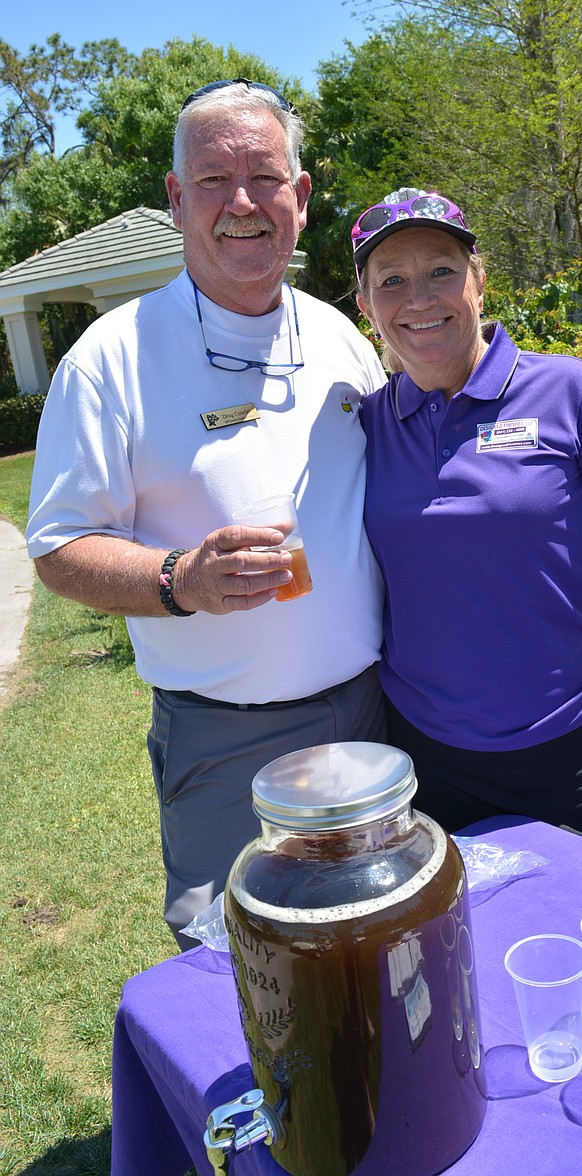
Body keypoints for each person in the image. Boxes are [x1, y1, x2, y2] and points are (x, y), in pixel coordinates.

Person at [26, 80, 387, 947]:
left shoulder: (341, 336)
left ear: (300, 197)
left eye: (264, 177)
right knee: (242, 964)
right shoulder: (111, 358)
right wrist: (180, 579)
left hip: (375, 712)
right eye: (214, 180)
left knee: (377, 934)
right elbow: (57, 543)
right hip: (228, 743)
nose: (242, 203)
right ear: (177, 198)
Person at [351, 186, 582, 862]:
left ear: (479, 279)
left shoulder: (568, 391)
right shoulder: (368, 425)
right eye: (392, 281)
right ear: (366, 306)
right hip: (432, 758)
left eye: (441, 270)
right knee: (468, 951)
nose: (420, 298)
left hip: (575, 746)